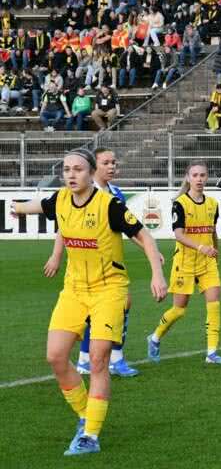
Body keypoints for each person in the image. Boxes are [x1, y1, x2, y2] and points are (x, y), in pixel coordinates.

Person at [10, 149, 166, 456]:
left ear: (91, 172)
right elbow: (32, 206)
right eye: (66, 169)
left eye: (78, 169)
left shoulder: (110, 206)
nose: (71, 174)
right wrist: (17, 208)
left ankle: (90, 436)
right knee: (55, 357)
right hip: (74, 291)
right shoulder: (59, 200)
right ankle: (86, 415)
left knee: (97, 359)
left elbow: (145, 236)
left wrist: (157, 274)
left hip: (109, 290)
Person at [50, 148, 141, 378]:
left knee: (123, 303)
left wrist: (150, 250)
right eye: (105, 162)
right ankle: (87, 359)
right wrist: (56, 255)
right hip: (86, 269)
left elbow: (131, 229)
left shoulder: (115, 193)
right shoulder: (80, 191)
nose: (111, 167)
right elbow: (65, 225)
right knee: (99, 308)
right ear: (93, 167)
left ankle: (113, 357)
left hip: (109, 262)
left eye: (113, 162)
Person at [146, 162, 221, 365]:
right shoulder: (180, 203)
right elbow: (179, 235)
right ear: (188, 177)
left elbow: (212, 231)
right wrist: (201, 247)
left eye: (203, 175)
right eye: (195, 175)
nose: (199, 179)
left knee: (214, 303)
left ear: (207, 177)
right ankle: (155, 337)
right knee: (179, 310)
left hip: (207, 263)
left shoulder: (212, 204)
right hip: (184, 262)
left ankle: (212, 353)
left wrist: (214, 254)